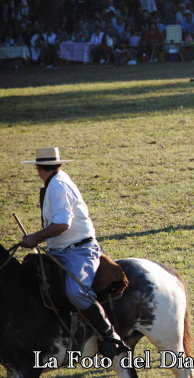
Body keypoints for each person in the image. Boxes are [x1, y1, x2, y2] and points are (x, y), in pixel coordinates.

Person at [19, 147, 129, 358]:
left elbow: (62, 224)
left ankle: (110, 336)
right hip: (59, 250)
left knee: (77, 292)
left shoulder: (58, 186)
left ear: (39, 168)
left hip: (79, 251)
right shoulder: (55, 182)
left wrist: (34, 238)